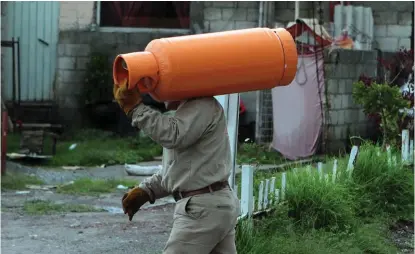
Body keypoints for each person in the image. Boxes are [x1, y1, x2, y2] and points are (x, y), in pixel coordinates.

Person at [113, 79, 240, 254]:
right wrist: (146, 191)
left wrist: (137, 109)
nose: (156, 91)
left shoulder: (201, 105)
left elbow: (173, 134)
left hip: (202, 210)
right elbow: (176, 170)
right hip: (212, 206)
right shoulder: (190, 112)